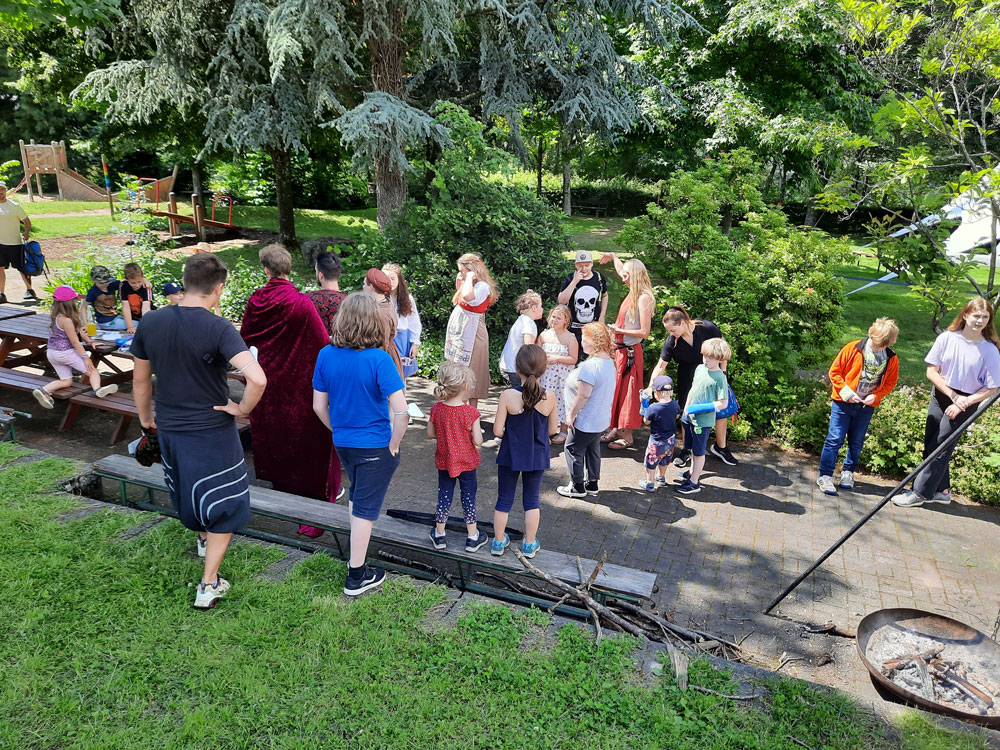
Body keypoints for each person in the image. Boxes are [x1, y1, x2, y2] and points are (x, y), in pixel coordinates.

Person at [131, 253, 267, 609]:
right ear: (219, 288)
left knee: (187, 490)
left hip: (171, 428)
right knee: (224, 502)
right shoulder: (219, 328)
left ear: (186, 281)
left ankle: (205, 538)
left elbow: (141, 380)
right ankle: (209, 584)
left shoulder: (151, 322)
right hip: (211, 432)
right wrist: (242, 409)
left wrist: (147, 419)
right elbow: (257, 378)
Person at [313, 293, 408, 595]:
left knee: (357, 496)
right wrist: (394, 443)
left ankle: (357, 556)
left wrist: (339, 428)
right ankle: (356, 575)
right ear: (374, 322)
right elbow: (403, 410)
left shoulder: (326, 354)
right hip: (375, 446)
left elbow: (318, 406)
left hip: (344, 443)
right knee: (365, 510)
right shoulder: (379, 359)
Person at [240, 244, 341, 518]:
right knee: (301, 435)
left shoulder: (256, 300)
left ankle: (278, 481)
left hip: (267, 381)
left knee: (275, 432)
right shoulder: (300, 302)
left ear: (266, 269)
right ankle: (305, 488)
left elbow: (245, 338)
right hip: (298, 382)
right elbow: (323, 343)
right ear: (289, 269)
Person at [894, 298, 1000, 508]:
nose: (979, 321)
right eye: (976, 315)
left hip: (967, 401)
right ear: (966, 315)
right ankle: (942, 491)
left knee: (940, 447)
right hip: (943, 394)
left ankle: (920, 493)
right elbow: (931, 372)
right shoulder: (947, 338)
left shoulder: (990, 350)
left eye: (985, 317)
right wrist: (952, 396)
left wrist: (963, 402)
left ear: (989, 321)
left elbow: (992, 388)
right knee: (932, 442)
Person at [816, 318, 900, 496]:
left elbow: (890, 382)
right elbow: (835, 372)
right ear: (871, 335)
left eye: (884, 346)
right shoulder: (853, 348)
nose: (879, 349)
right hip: (843, 403)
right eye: (877, 345)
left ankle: (848, 472)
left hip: (865, 407)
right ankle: (825, 475)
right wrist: (846, 392)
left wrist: (875, 396)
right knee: (835, 439)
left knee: (856, 441)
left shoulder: (891, 357)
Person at [491, 345, 558, 558]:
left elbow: (497, 431)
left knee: (504, 499)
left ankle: (498, 542)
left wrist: (513, 432)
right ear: (544, 369)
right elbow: (553, 430)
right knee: (532, 500)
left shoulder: (508, 395)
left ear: (517, 369)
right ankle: (529, 544)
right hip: (537, 455)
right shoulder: (550, 397)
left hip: (511, 454)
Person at [647, 305, 736, 467]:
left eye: (672, 330)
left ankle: (721, 447)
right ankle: (686, 450)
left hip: (714, 374)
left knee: (720, 412)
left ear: (682, 323)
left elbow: (722, 349)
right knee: (687, 414)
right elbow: (661, 366)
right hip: (688, 377)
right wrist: (651, 386)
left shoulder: (707, 328)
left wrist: (722, 374)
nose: (670, 334)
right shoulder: (672, 341)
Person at [426, 362, 489, 552]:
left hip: (445, 461)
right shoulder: (471, 412)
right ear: (464, 387)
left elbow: (430, 434)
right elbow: (478, 441)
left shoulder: (437, 409)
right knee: (468, 497)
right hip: (467, 463)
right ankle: (472, 537)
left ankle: (440, 534)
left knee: (444, 495)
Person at [597, 253, 655, 449]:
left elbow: (645, 332)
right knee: (615, 390)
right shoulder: (633, 289)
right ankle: (616, 428)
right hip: (619, 351)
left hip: (630, 352)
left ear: (636, 275)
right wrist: (613, 256)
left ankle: (627, 435)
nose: (623, 278)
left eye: (626, 276)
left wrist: (619, 330)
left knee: (628, 393)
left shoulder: (644, 298)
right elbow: (621, 268)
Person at [557, 322, 617, 498]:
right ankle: (592, 483)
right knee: (592, 449)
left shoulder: (590, 366)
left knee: (572, 448)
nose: (582, 343)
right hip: (600, 418)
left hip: (586, 419)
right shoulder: (609, 362)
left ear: (595, 342)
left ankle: (577, 487)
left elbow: (583, 395)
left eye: (584, 340)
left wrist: (571, 414)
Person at [32, 285, 118, 409]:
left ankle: (44, 390)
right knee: (93, 371)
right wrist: (85, 357)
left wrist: (89, 341)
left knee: (66, 381)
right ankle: (98, 390)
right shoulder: (67, 319)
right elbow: (75, 341)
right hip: (65, 353)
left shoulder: (59, 316)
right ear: (70, 302)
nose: (76, 301)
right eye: (75, 300)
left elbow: (79, 330)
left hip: (52, 353)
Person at [676, 338, 731, 495]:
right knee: (692, 448)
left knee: (699, 451)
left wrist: (700, 408)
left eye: (710, 357)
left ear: (720, 359)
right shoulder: (700, 368)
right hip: (689, 417)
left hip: (703, 422)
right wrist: (686, 409)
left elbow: (723, 403)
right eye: (704, 356)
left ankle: (694, 483)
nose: (706, 360)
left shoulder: (720, 378)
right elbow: (693, 390)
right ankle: (692, 473)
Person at [444, 253, 498, 410]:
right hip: (461, 329)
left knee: (472, 371)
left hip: (473, 331)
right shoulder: (468, 281)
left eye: (462, 271)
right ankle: (458, 410)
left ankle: (470, 415)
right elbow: (460, 294)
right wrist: (464, 278)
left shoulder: (482, 286)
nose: (460, 274)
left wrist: (469, 278)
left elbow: (467, 296)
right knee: (458, 370)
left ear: (472, 270)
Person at [538, 304, 578, 444]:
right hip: (546, 376)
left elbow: (574, 358)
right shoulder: (544, 335)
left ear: (565, 320)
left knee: (563, 401)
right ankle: (545, 430)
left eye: (558, 318)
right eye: (553, 317)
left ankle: (563, 430)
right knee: (544, 400)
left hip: (563, 377)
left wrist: (557, 359)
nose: (555, 320)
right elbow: (536, 354)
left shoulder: (570, 338)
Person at [557, 249, 608, 360]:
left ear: (592, 264)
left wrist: (602, 315)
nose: (583, 269)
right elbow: (561, 301)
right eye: (580, 266)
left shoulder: (599, 278)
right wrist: (574, 281)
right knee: (572, 360)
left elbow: (604, 295)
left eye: (587, 265)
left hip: (593, 329)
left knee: (592, 360)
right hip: (572, 329)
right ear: (575, 265)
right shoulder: (570, 278)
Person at [638, 376, 680, 492]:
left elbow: (646, 422)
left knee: (651, 461)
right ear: (671, 392)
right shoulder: (675, 405)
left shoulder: (653, 408)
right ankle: (661, 478)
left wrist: (645, 408)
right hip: (670, 440)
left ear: (656, 393)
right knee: (665, 459)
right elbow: (677, 416)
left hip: (656, 441)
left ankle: (650, 483)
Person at [382, 263, 422, 381]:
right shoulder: (380, 298)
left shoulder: (407, 299)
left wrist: (414, 344)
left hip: (402, 340)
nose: (390, 281)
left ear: (399, 280)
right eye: (386, 279)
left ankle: (401, 399)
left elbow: (414, 322)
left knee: (401, 375)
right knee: (386, 372)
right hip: (385, 338)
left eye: (393, 278)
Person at [363, 267, 404, 379]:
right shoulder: (384, 303)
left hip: (383, 356)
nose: (363, 287)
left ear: (371, 286)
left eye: (364, 284)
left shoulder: (381, 312)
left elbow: (382, 343)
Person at [0, 180, 36, 303]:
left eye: (2, 189)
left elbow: (26, 221)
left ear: (5, 191)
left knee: (21, 268)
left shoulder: (14, 206)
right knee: (0, 269)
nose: (0, 192)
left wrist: (26, 232)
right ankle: (1, 294)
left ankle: (30, 290)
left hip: (15, 243)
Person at [498, 290, 543, 387]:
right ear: (534, 307)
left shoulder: (522, 319)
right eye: (541, 306)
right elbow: (528, 348)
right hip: (516, 369)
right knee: (520, 396)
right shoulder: (529, 323)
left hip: (510, 366)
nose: (542, 309)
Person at [307, 251, 346, 333]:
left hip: (316, 345)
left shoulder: (307, 300)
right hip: (342, 345)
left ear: (321, 275)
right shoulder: (349, 302)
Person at [85, 265, 126, 331]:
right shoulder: (93, 291)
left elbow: (127, 281)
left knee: (135, 320)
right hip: (105, 322)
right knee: (137, 324)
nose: (105, 285)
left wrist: (144, 280)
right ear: (93, 280)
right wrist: (85, 324)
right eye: (101, 283)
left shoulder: (111, 285)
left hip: (115, 317)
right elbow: (83, 307)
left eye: (107, 282)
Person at [120, 262, 153, 333]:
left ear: (142, 277)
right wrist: (130, 326)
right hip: (133, 318)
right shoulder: (123, 286)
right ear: (126, 279)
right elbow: (125, 306)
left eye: (139, 282)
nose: (137, 285)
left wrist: (145, 324)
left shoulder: (146, 287)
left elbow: (146, 308)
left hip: (147, 317)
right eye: (133, 283)